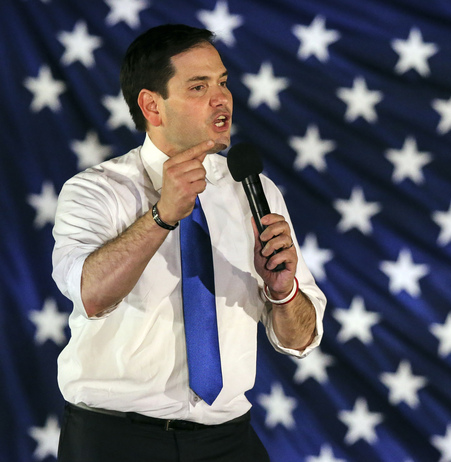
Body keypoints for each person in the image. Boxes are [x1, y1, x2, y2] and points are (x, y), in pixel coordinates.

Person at [52, 24, 326, 462]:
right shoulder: (94, 191)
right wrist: (162, 216)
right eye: (198, 87)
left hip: (227, 440)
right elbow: (91, 294)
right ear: (151, 106)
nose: (222, 100)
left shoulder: (253, 189)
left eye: (223, 83)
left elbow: (300, 339)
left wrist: (284, 291)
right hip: (116, 441)